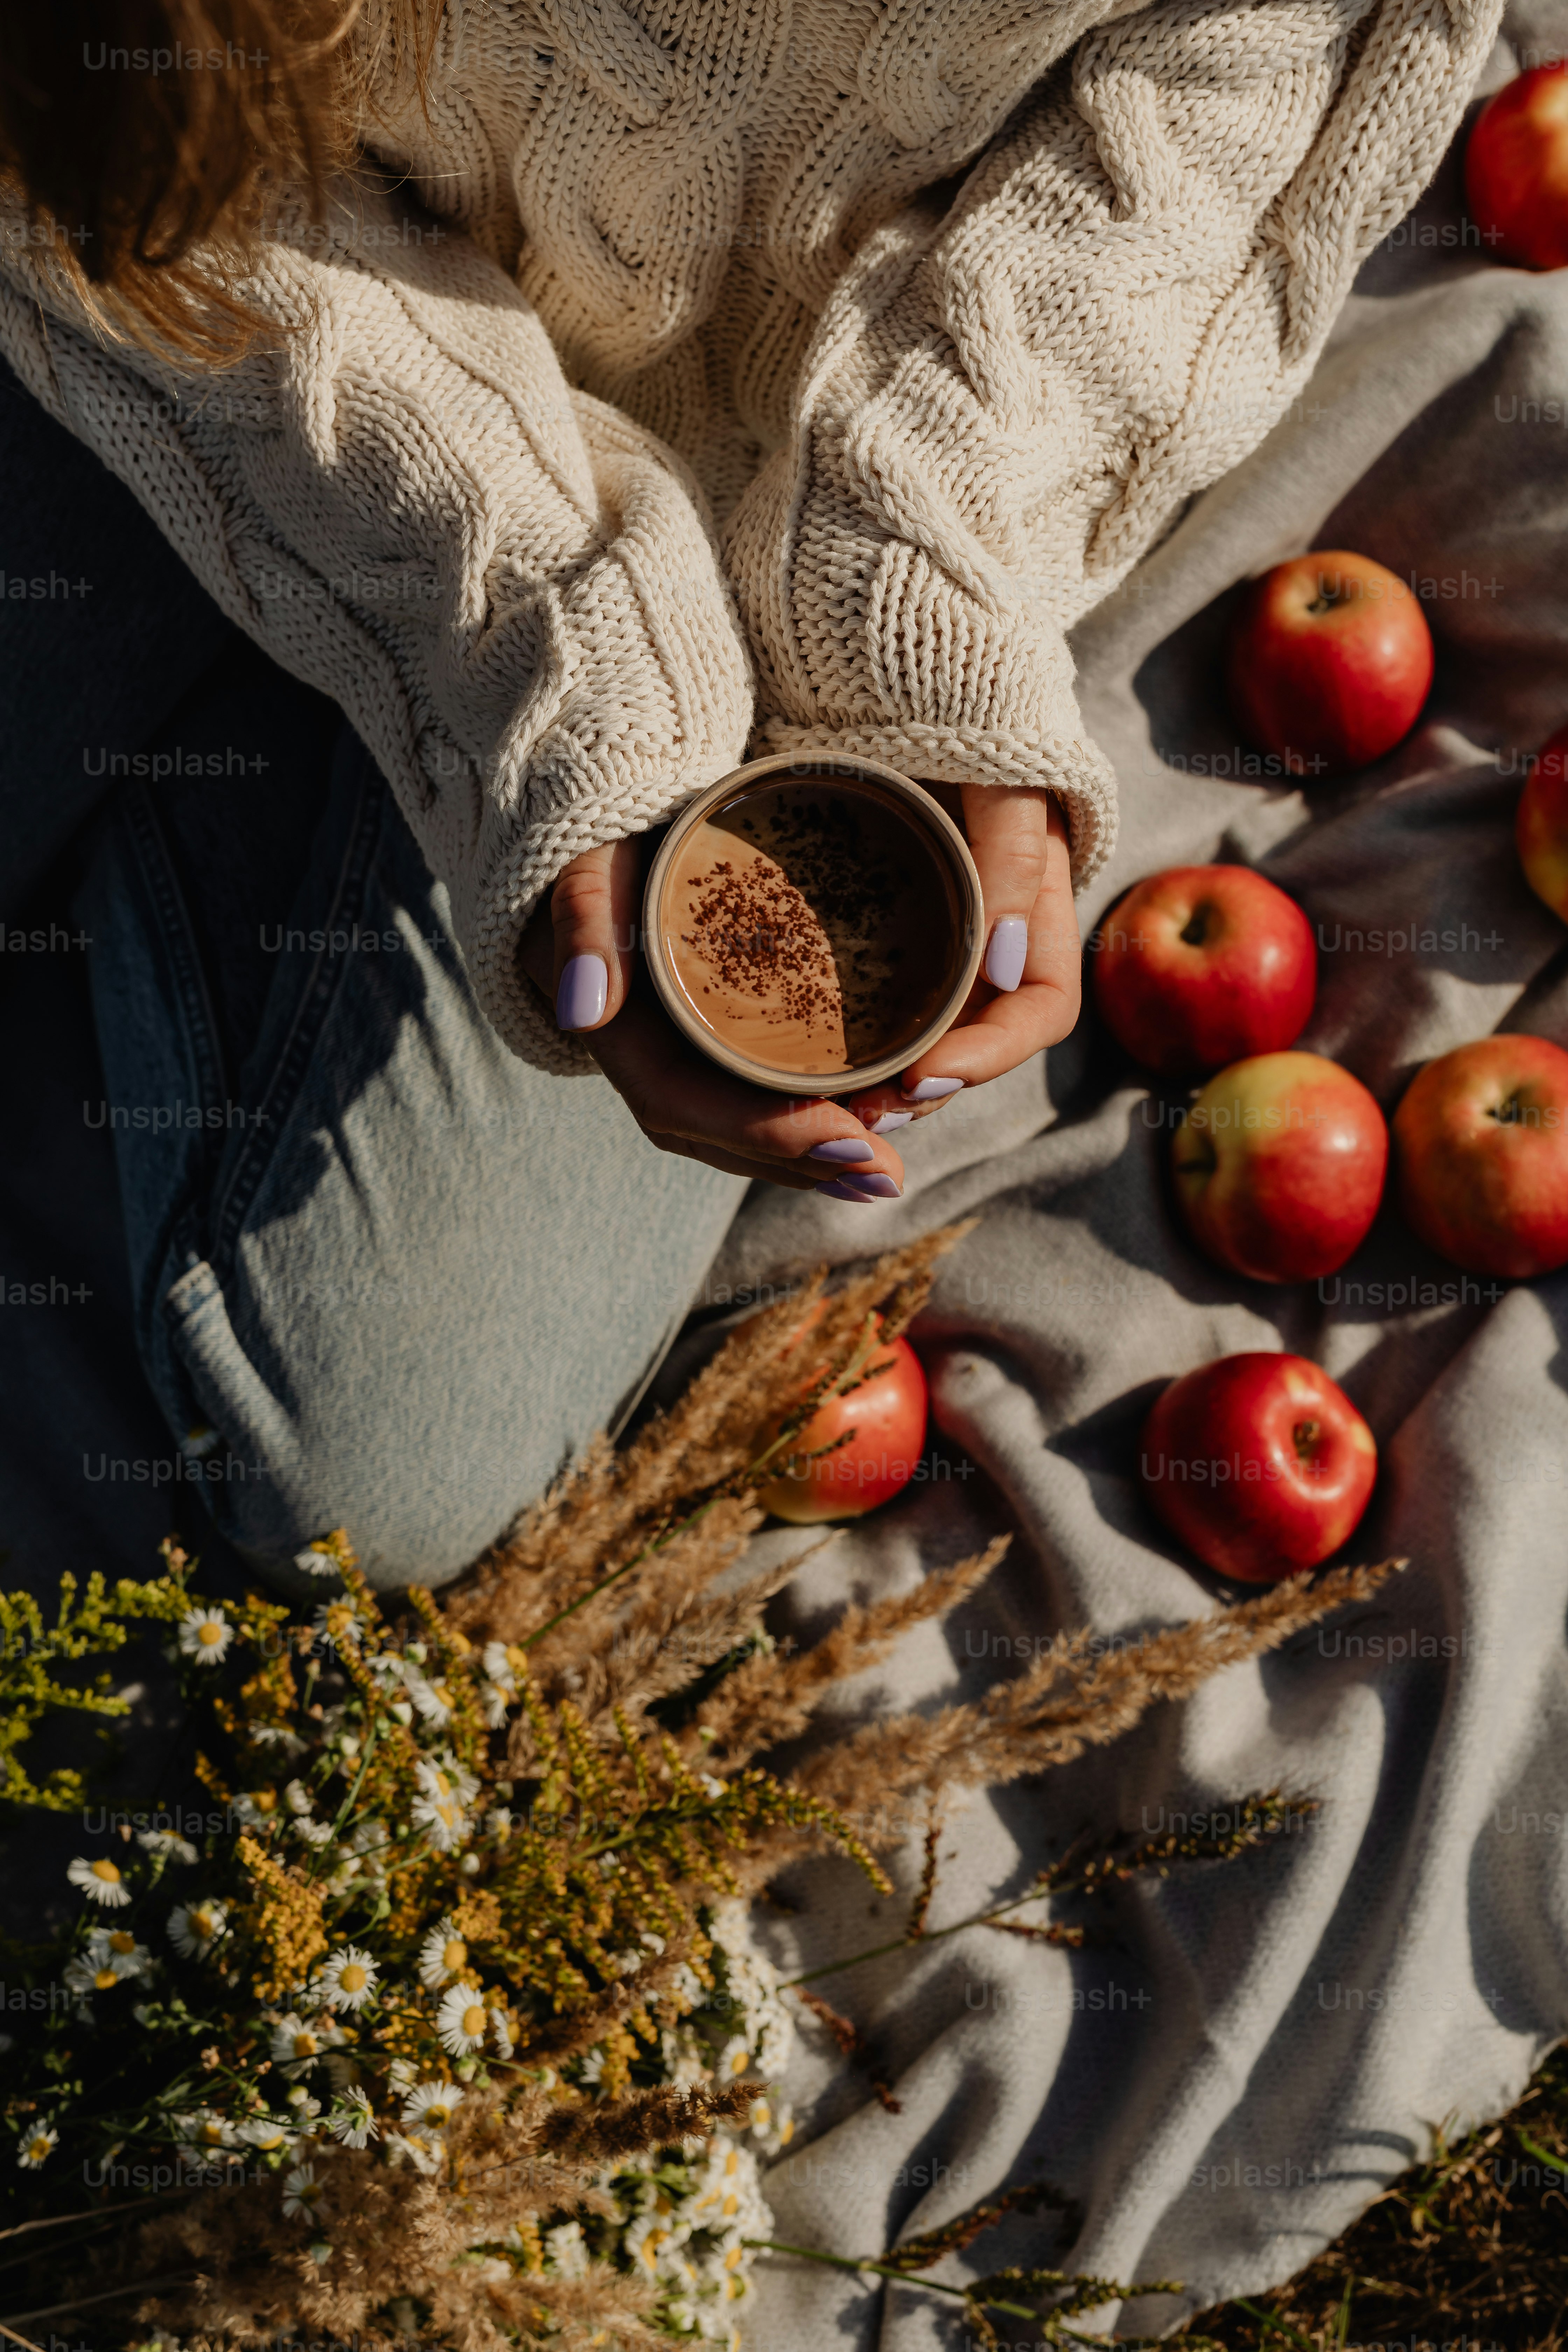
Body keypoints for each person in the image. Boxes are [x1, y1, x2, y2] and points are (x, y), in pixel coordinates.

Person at [0, 0, 1498, 1588]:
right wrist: (535, 623)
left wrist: (921, 562)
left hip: (794, 487)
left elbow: (1264, 54)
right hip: (214, 291)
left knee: (373, 1472)